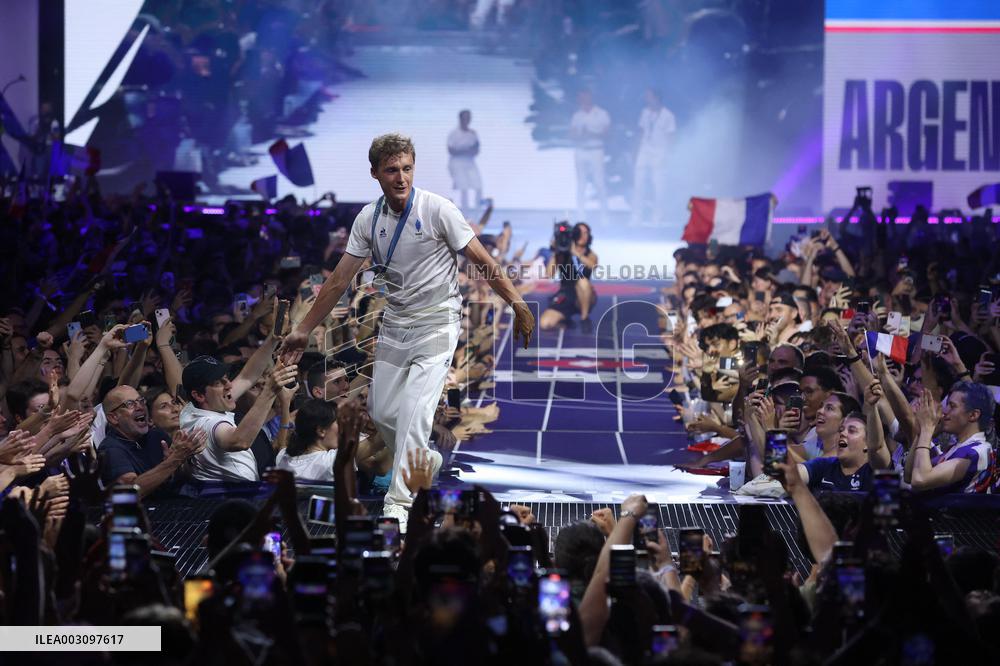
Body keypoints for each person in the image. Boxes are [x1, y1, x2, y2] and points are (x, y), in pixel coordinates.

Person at [279, 132, 534, 524]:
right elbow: (337, 282)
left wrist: (517, 303)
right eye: (392, 170)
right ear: (375, 174)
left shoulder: (438, 210)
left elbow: (484, 261)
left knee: (415, 414)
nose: (401, 177)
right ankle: (425, 459)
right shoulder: (368, 219)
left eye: (407, 168)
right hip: (396, 323)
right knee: (382, 413)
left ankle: (401, 504)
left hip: (438, 321)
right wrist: (304, 328)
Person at [179, 354, 298, 483]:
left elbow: (246, 376)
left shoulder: (191, 411)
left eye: (226, 378)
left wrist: (273, 338)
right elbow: (239, 441)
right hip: (233, 496)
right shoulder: (209, 423)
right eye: (219, 382)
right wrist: (269, 391)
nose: (229, 385)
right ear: (199, 395)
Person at [98, 385, 207, 496]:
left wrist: (185, 459)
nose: (140, 407)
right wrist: (175, 459)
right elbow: (129, 491)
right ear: (113, 418)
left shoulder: (157, 435)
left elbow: (180, 478)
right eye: (130, 404)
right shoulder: (111, 449)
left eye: (141, 401)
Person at [908, 382, 996, 494]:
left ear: (973, 415)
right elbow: (910, 475)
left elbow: (920, 480)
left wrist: (927, 429)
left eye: (952, 406)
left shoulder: (978, 451)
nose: (944, 411)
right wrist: (922, 432)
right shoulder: (955, 448)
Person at [539, 222, 599, 329]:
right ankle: (566, 322)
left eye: (585, 233)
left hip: (584, 297)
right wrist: (556, 253)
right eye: (579, 233)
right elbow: (549, 274)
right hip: (566, 294)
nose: (582, 236)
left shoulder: (591, 254)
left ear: (589, 236)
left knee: (583, 282)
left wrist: (576, 253)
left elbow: (593, 266)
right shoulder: (563, 253)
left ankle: (584, 318)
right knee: (544, 324)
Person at [631, 88, 675, 228]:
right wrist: (636, 151)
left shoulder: (668, 115)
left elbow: (671, 137)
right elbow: (641, 131)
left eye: (649, 97)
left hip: (660, 151)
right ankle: (636, 216)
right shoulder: (645, 113)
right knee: (639, 184)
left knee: (658, 185)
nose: (646, 99)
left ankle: (657, 216)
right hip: (645, 150)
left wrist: (667, 155)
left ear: (656, 98)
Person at [570, 89, 611, 224]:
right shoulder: (577, 116)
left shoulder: (601, 114)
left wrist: (591, 134)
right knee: (581, 184)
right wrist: (580, 135)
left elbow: (607, 134)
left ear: (590, 97)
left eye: (585, 97)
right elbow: (572, 134)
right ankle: (581, 216)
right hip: (581, 151)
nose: (582, 100)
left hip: (596, 151)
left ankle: (604, 216)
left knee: (599, 183)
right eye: (580, 97)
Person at [275, 399, 338, 481]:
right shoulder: (332, 461)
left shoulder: (282, 457)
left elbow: (282, 444)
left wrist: (285, 403)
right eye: (338, 422)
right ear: (321, 431)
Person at [446, 110, 483, 212]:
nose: (467, 119)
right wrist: (466, 150)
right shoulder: (454, 134)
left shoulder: (473, 134)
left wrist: (463, 150)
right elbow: (451, 150)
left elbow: (476, 150)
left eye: (469, 117)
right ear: (460, 118)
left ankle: (478, 210)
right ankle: (464, 212)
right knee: (464, 188)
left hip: (470, 163)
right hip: (456, 163)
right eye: (465, 117)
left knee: (478, 185)